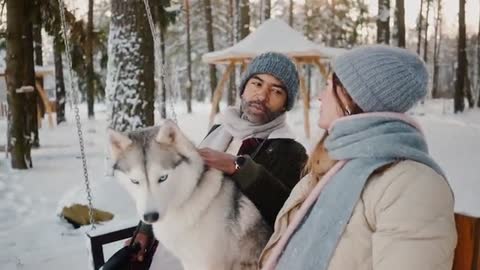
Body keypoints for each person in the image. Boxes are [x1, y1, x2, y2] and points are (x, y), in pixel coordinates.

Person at [259, 45, 457, 270]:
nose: (319, 97)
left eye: (327, 86)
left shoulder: (413, 185)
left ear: (349, 96)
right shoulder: (329, 167)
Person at [131, 52, 308, 263]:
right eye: (257, 84)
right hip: (178, 246)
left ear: (285, 104)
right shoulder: (220, 130)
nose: (262, 95)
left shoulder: (289, 150)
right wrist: (146, 230)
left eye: (276, 91)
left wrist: (238, 168)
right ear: (243, 88)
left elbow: (285, 214)